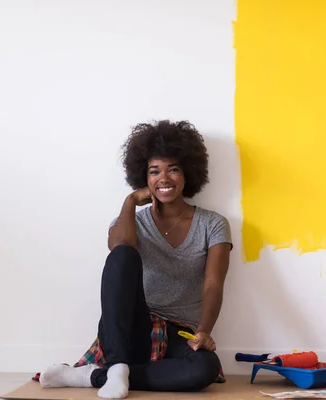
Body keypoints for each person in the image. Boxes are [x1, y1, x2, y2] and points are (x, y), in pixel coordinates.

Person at [39, 120, 233, 399]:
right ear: (144, 177)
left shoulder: (213, 224)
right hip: (132, 328)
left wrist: (204, 331)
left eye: (173, 169)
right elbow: (118, 250)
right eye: (155, 171)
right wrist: (130, 201)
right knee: (122, 254)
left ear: (188, 173)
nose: (164, 178)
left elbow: (213, 284)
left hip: (180, 333)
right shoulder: (131, 220)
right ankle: (117, 366)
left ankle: (93, 376)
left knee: (205, 368)